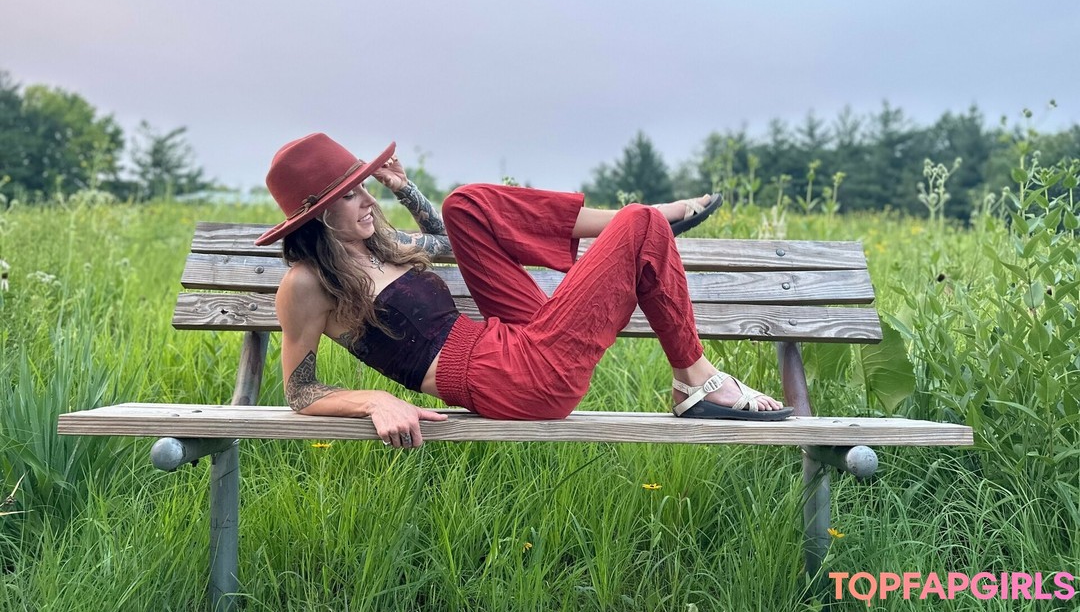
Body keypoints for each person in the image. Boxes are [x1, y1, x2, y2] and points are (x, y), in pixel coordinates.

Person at [256, 133, 792, 449]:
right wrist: (376, 400)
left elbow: (452, 239)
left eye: (365, 188)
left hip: (510, 339)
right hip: (514, 379)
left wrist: (406, 189)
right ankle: (695, 381)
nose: (369, 201)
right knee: (642, 222)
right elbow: (301, 391)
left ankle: (635, 233)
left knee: (464, 204)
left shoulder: (378, 247)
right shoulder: (306, 284)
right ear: (318, 214)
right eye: (351, 196)